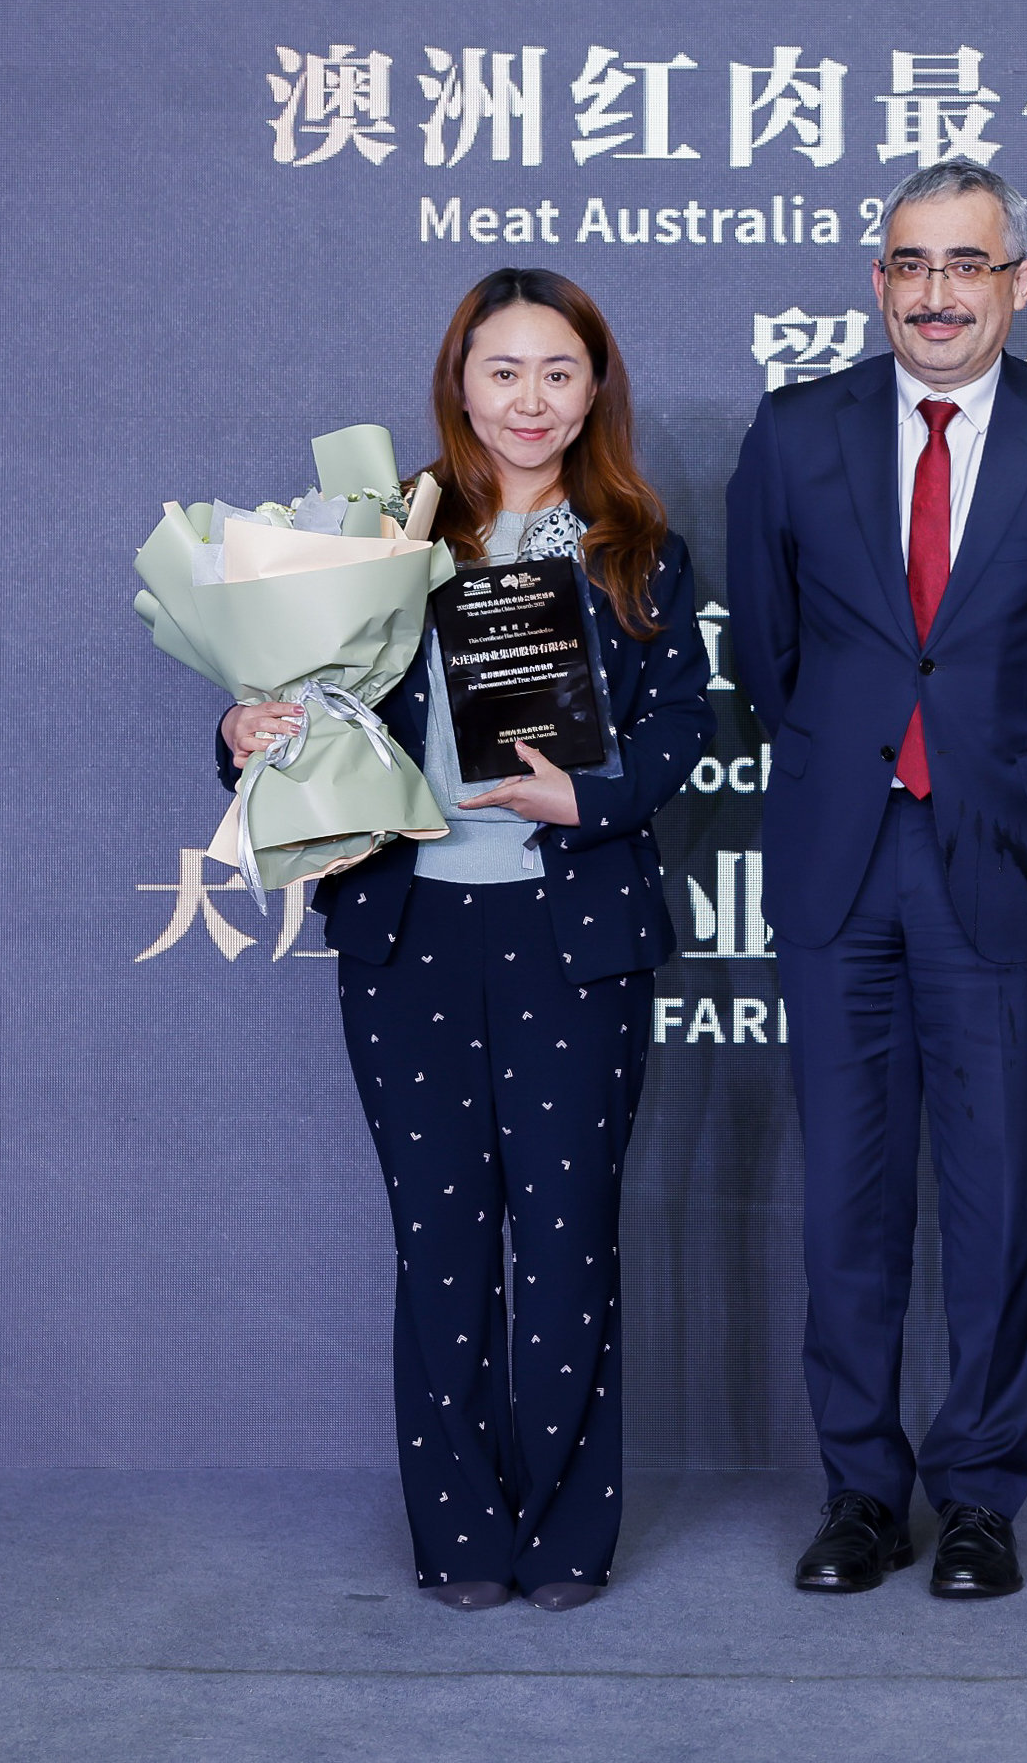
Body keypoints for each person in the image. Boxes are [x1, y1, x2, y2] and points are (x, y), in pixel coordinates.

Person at [217, 268, 713, 1612]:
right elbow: (300, 704)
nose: (530, 399)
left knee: (567, 1240)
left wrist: (591, 795)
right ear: (460, 385)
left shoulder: (638, 549)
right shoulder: (381, 536)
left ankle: (566, 1535)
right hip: (411, 928)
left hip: (573, 932)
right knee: (440, 1243)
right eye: (504, 371)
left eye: (559, 371)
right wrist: (246, 730)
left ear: (594, 390)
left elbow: (684, 722)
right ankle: (460, 1535)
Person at [726, 161, 1027, 1599]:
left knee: (996, 1204)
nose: (936, 294)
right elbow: (769, 657)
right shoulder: (795, 434)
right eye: (911, 264)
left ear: (1019, 282)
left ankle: (979, 1494)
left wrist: (1018, 786)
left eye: (967, 265)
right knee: (846, 1205)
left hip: (999, 864)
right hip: (840, 865)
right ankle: (861, 1492)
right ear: (877, 282)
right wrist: (859, 759)